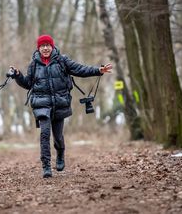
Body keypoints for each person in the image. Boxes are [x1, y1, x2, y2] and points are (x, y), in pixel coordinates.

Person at [11, 34, 112, 178]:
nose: (45, 48)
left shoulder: (62, 61)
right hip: (41, 104)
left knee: (58, 137)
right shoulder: (33, 64)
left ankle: (60, 153)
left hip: (59, 103)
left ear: (52, 47)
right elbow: (28, 84)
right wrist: (17, 75)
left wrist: (98, 70)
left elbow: (80, 70)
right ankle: (46, 166)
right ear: (38, 48)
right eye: (42, 46)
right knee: (45, 134)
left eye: (48, 45)